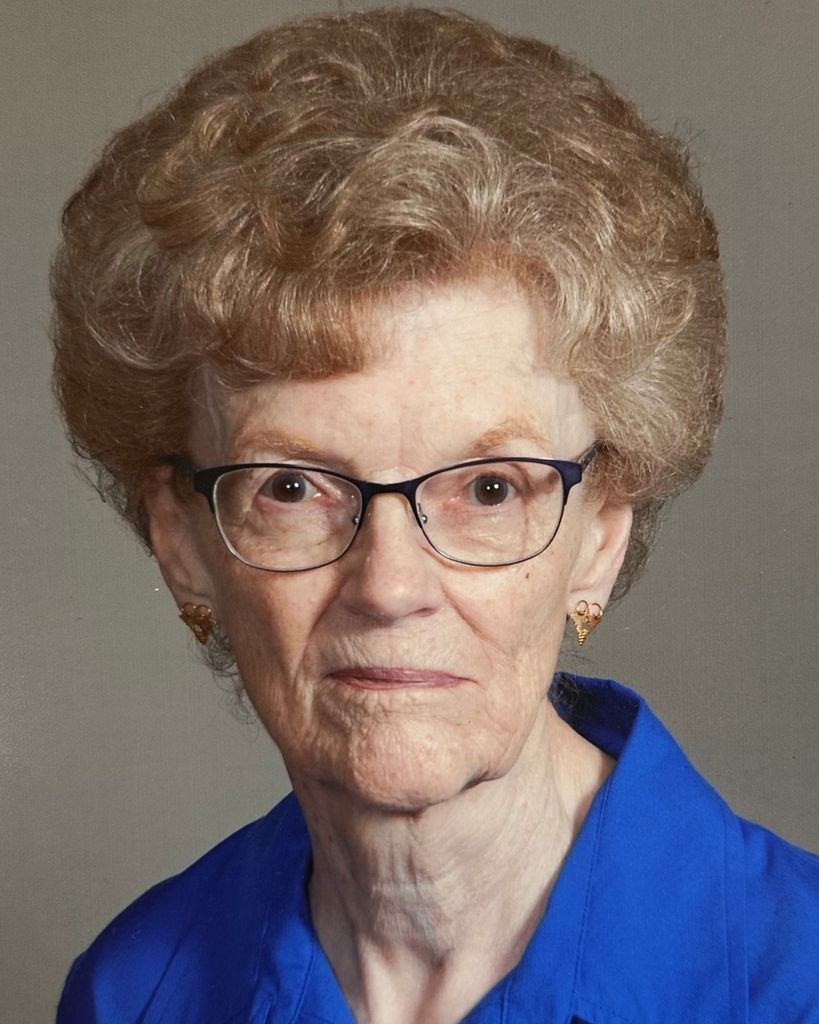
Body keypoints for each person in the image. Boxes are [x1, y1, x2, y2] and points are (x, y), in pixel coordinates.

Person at [52, 8, 818, 1023]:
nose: (390, 587)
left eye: (489, 487)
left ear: (600, 533)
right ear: (182, 542)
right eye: (293, 487)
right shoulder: (132, 994)